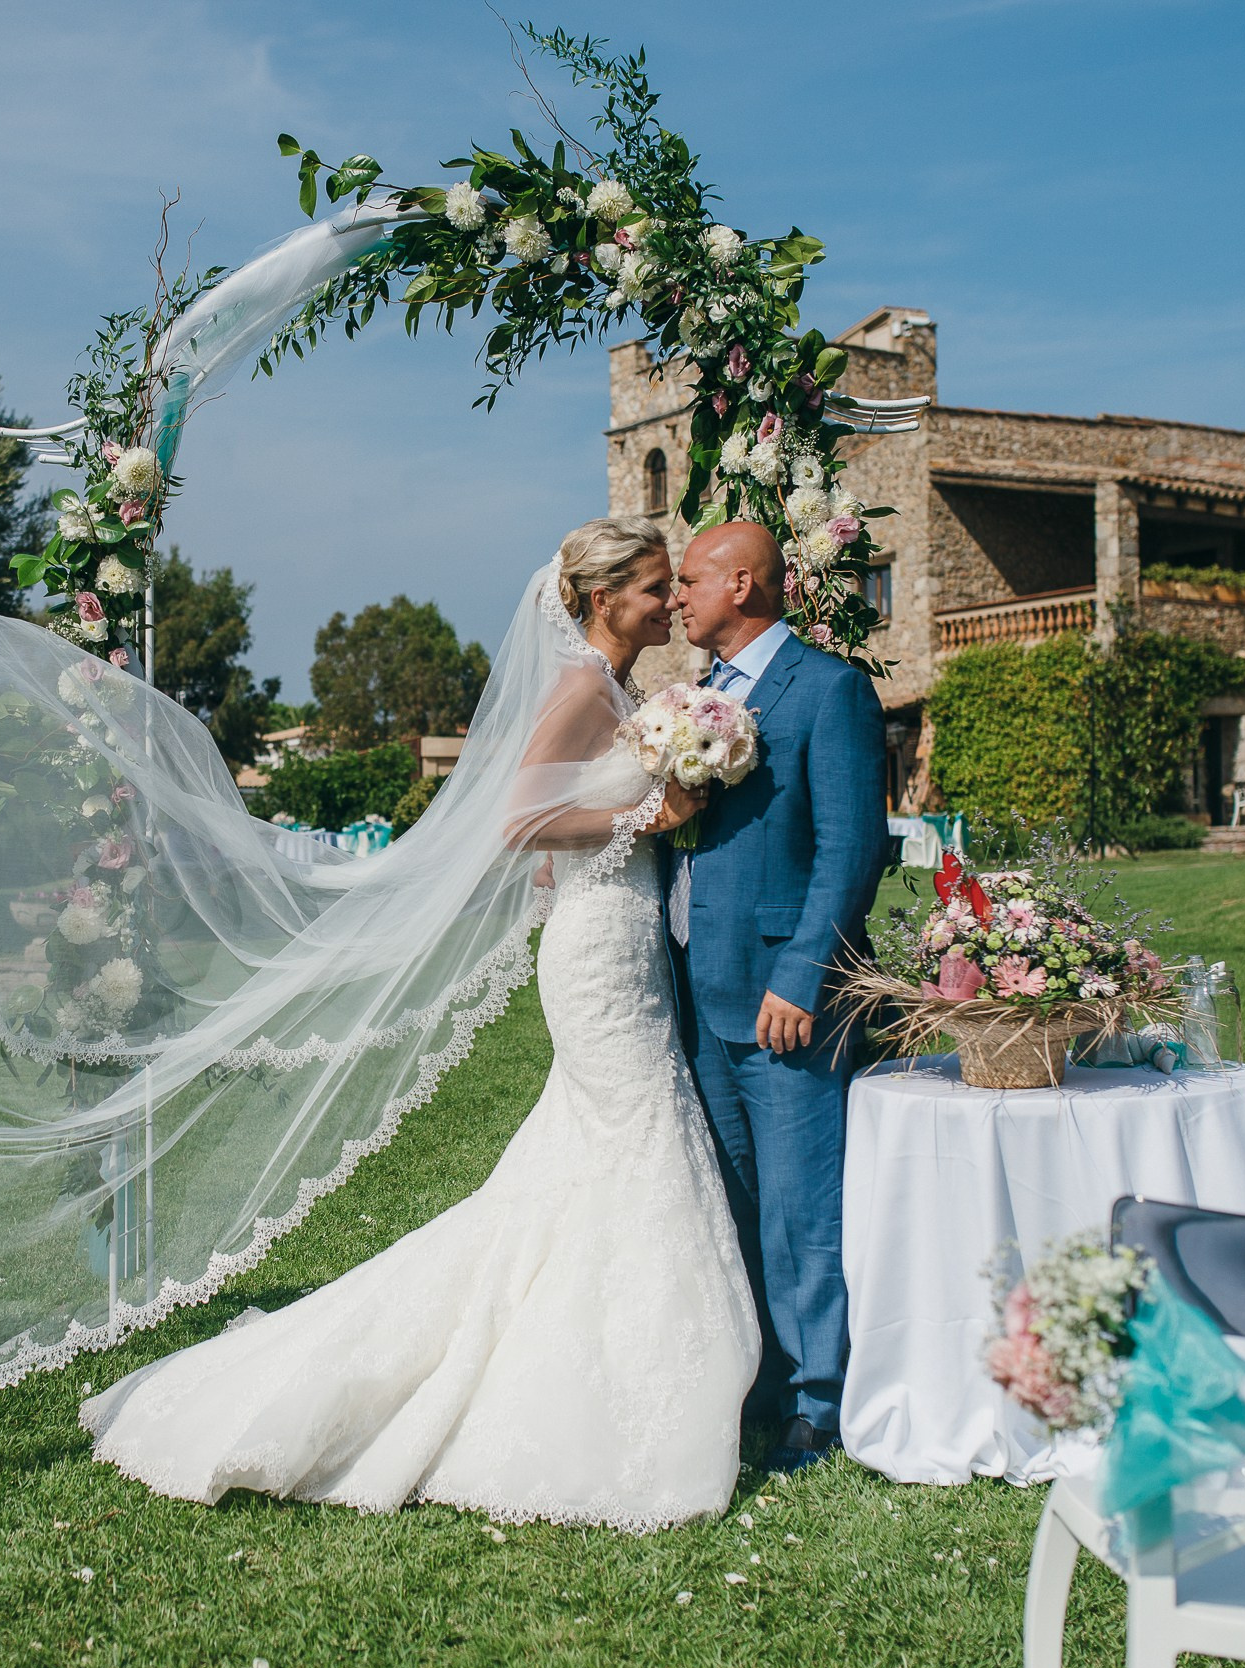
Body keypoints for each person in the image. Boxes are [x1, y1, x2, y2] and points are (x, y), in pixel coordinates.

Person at [81, 516, 760, 1531]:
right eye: (656, 587)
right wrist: (646, 816)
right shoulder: (581, 688)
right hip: (595, 954)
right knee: (635, 1136)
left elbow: (554, 827)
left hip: (626, 937)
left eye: (672, 587)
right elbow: (519, 822)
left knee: (593, 1154)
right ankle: (621, 1392)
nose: (669, 604)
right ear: (604, 597)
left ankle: (613, 1366)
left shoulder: (622, 693)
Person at [666, 519, 889, 1472]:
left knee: (801, 1206)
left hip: (782, 996)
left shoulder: (829, 690)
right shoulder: (699, 696)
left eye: (690, 580)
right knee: (737, 1196)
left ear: (743, 584)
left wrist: (803, 974)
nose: (677, 596)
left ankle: (819, 1398)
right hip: (698, 988)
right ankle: (759, 1377)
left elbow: (851, 848)